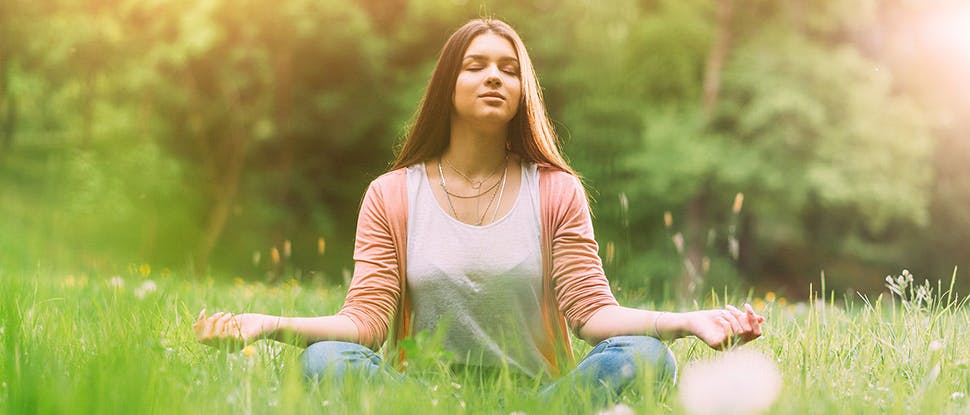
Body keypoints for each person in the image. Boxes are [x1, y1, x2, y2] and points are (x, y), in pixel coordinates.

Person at [193, 18, 764, 406]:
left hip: (541, 398)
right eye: (476, 65)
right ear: (448, 84)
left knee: (644, 358)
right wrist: (267, 325)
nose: (494, 75)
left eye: (509, 68)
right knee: (326, 360)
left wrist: (687, 323)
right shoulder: (391, 194)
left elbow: (592, 314)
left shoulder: (555, 191)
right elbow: (363, 326)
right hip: (421, 399)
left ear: (523, 91)